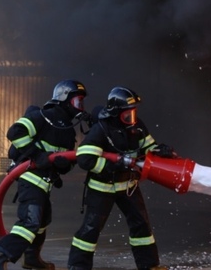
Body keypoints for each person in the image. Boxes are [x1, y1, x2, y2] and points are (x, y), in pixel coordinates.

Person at [67, 86, 175, 270]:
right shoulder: (101, 129)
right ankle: (78, 267)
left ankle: (149, 265)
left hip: (128, 185)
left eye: (133, 112)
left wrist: (160, 151)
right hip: (102, 187)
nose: (132, 116)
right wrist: (111, 166)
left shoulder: (137, 126)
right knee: (91, 228)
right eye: (128, 113)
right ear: (116, 112)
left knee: (141, 226)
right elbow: (84, 159)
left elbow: (148, 147)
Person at [0, 79, 89, 270]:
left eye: (81, 103)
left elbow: (62, 162)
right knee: (30, 222)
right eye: (78, 102)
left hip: (45, 183)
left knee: (43, 221)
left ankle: (32, 259)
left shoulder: (67, 130)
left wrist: (64, 164)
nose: (80, 108)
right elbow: (15, 132)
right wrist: (38, 155)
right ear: (64, 98)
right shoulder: (44, 116)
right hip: (30, 178)